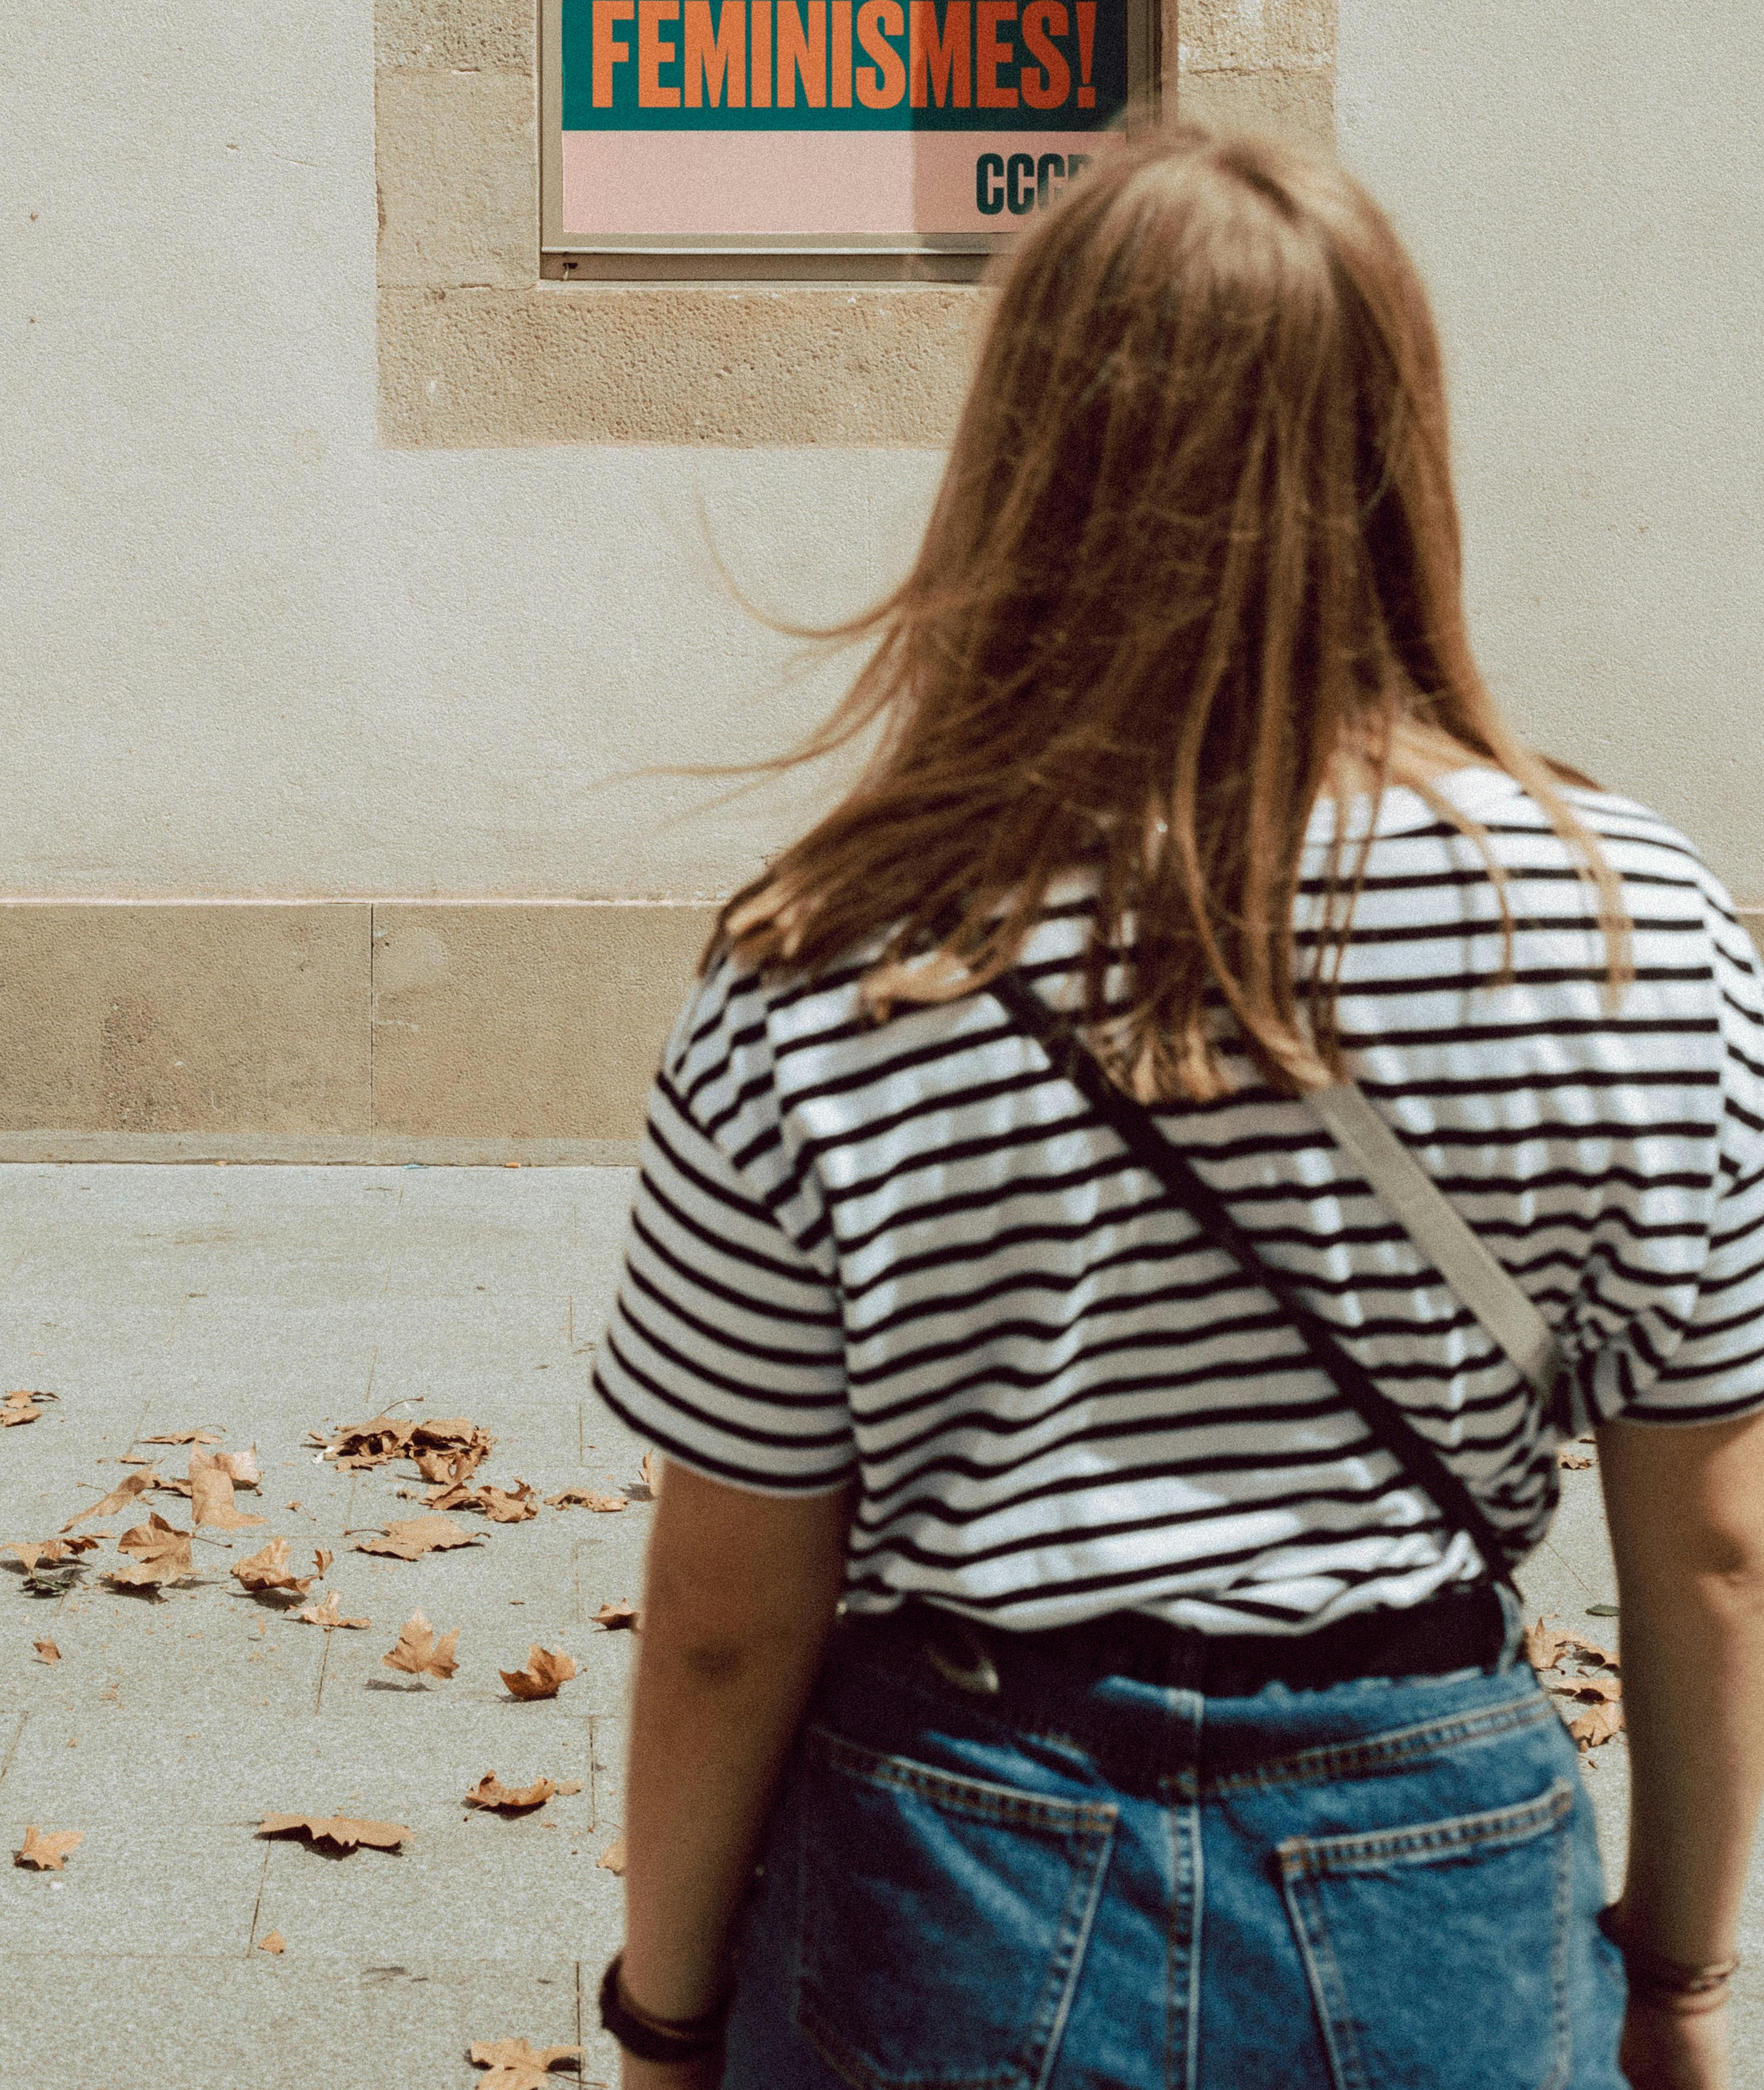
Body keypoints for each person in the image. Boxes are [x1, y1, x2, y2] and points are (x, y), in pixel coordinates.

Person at [589, 130, 1764, 2090]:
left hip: (952, 1864)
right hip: (1438, 1864)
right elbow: (1716, 1543)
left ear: (1023, 463)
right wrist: (1687, 1981)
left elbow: (726, 1606)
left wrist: (667, 2014)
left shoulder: (837, 952)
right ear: (1402, 453)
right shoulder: (1640, 923)